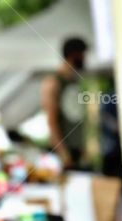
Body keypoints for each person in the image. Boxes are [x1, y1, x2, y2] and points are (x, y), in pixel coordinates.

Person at [41, 37, 88, 169]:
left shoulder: (75, 81)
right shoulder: (53, 82)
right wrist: (62, 151)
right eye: (83, 54)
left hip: (75, 150)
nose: (85, 59)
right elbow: (51, 120)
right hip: (61, 152)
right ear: (75, 54)